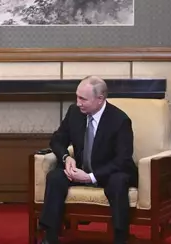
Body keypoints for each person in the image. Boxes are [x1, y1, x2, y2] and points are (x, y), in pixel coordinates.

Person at [39, 76, 138, 244]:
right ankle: (50, 237)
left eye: (83, 99)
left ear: (100, 99)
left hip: (108, 173)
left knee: (119, 182)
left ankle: (121, 238)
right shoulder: (74, 113)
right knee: (55, 177)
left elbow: (122, 159)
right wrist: (66, 158)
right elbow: (57, 140)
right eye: (77, 97)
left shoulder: (120, 120)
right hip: (79, 170)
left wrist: (90, 177)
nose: (78, 103)